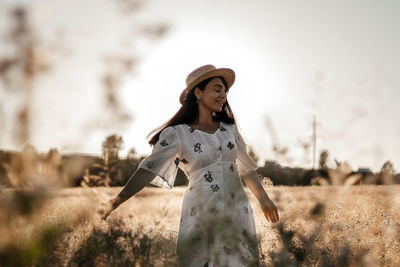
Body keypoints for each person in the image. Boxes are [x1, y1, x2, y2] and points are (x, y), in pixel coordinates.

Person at [100, 65, 279, 266]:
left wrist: (263, 198)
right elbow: (148, 169)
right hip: (201, 209)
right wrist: (116, 201)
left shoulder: (229, 128)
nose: (223, 95)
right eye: (217, 89)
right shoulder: (177, 133)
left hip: (236, 208)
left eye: (225, 91)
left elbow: (245, 167)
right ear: (198, 92)